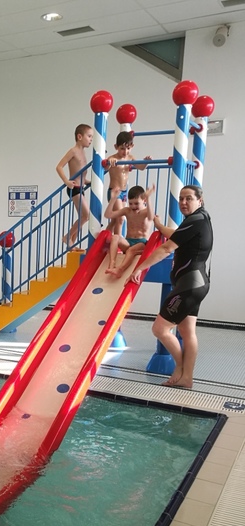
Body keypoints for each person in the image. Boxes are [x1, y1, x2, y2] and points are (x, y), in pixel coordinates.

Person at [126, 185, 213, 389]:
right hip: (196, 283)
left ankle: (180, 368)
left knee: (160, 328)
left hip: (189, 285)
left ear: (199, 200)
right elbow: (174, 235)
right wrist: (158, 224)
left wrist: (140, 268)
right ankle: (186, 378)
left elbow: (167, 247)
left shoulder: (195, 220)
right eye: (181, 198)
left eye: (188, 198)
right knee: (187, 332)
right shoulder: (199, 219)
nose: (183, 202)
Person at [104, 132, 151, 238]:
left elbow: (141, 167)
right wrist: (109, 162)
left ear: (132, 146)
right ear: (116, 147)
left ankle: (105, 238)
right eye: (122, 149)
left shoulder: (130, 158)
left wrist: (146, 162)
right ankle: (117, 240)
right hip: (114, 192)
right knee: (121, 218)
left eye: (128, 148)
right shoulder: (113, 158)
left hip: (124, 192)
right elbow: (105, 168)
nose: (125, 152)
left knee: (115, 220)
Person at [104, 184, 155, 277]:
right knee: (115, 237)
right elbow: (108, 215)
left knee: (131, 251)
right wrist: (113, 199)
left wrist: (148, 198)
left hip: (142, 243)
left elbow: (151, 217)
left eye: (136, 203)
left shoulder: (146, 212)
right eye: (130, 203)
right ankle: (112, 264)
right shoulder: (127, 211)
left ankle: (120, 270)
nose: (133, 206)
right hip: (128, 242)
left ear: (144, 201)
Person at [56, 123, 93, 245]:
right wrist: (66, 181)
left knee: (83, 216)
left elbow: (80, 173)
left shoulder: (83, 153)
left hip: (81, 187)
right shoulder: (73, 151)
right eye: (89, 136)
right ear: (79, 137)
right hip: (74, 188)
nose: (91, 139)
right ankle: (67, 237)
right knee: (86, 216)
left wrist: (87, 181)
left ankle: (72, 241)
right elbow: (59, 167)